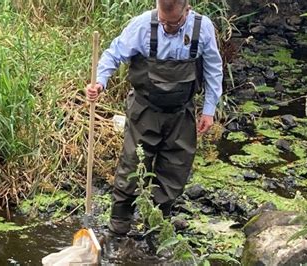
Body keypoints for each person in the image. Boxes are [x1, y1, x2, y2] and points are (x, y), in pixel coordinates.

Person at [86, 0, 223, 236]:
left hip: (181, 113)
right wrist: (100, 82)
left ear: (186, 10)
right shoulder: (141, 26)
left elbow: (213, 68)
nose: (167, 27)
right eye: (163, 21)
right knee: (133, 164)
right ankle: (119, 227)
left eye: (174, 23)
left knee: (175, 169)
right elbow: (113, 54)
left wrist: (209, 110)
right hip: (144, 110)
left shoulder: (203, 28)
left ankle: (157, 226)